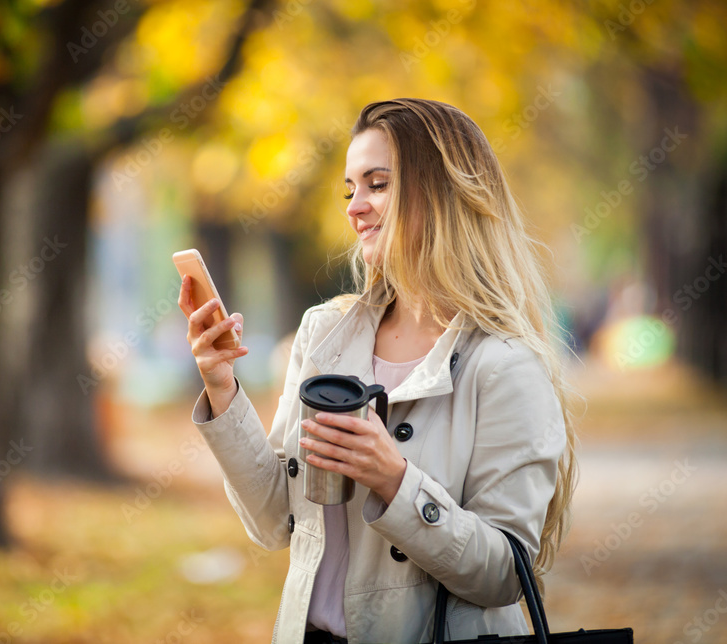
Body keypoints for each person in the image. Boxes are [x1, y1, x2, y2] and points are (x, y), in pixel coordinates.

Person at [178, 98, 579, 644]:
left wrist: (395, 480)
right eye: (350, 188)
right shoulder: (326, 336)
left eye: (378, 184)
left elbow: (505, 574)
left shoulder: (505, 364)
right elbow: (276, 520)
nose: (354, 207)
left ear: (443, 195)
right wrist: (222, 387)